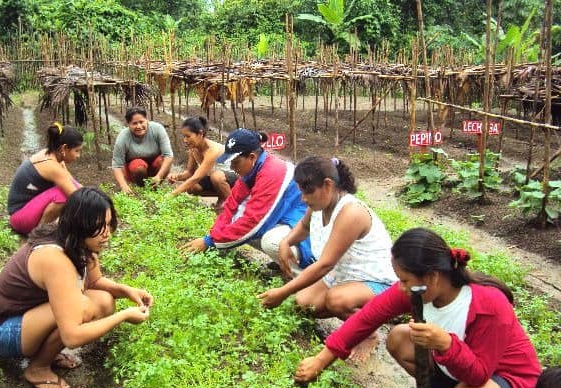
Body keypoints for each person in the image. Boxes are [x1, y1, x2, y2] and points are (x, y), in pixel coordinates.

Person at [294, 227, 541, 388]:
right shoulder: (418, 292)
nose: (400, 287)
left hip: (504, 376)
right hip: (459, 367)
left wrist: (447, 344)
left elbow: (479, 374)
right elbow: (368, 317)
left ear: (432, 277)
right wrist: (322, 358)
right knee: (399, 338)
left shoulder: (488, 304)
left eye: (404, 280)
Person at [0, 187, 153, 388]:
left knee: (104, 301)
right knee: (83, 307)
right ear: (80, 226)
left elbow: (95, 281)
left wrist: (127, 291)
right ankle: (38, 368)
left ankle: (44, 353)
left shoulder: (72, 238)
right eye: (98, 227)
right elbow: (72, 336)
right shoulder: (55, 259)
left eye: (108, 224)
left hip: (26, 318)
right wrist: (124, 316)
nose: (107, 233)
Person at [257, 156, 397, 363]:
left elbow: (325, 265)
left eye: (308, 191)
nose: (303, 198)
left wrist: (282, 292)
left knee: (337, 301)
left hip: (376, 281)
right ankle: (355, 318)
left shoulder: (351, 212)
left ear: (328, 185)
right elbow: (304, 227)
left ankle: (368, 335)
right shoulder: (318, 205)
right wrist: (286, 242)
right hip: (343, 274)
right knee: (303, 305)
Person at [180, 128, 312, 269]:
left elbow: (253, 221)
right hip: (285, 218)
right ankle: (285, 262)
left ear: (252, 157)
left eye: (235, 162)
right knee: (235, 221)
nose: (232, 167)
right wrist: (212, 237)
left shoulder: (273, 173)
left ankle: (306, 277)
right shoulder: (251, 172)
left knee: (272, 242)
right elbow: (230, 206)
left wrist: (209, 242)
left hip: (308, 228)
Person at [7, 122, 83, 235]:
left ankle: (48, 228)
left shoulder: (53, 156)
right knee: (62, 195)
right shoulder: (52, 166)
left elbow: (74, 184)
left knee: (69, 189)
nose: (78, 155)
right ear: (64, 148)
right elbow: (77, 197)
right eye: (77, 151)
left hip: (27, 211)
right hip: (19, 217)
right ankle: (40, 235)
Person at [167, 116, 237, 209]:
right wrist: (177, 177)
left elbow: (197, 177)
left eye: (188, 136)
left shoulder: (212, 150)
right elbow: (190, 173)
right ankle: (222, 198)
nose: (185, 140)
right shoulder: (193, 149)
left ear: (200, 133)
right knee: (192, 187)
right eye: (184, 136)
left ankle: (232, 205)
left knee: (216, 176)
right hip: (214, 179)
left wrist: (172, 194)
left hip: (233, 178)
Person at [112, 106, 174, 192]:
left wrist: (159, 176)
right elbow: (117, 165)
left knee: (162, 160)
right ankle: (142, 188)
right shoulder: (123, 137)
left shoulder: (157, 129)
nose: (139, 126)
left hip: (154, 166)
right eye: (134, 123)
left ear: (147, 120)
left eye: (141, 122)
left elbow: (168, 155)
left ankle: (155, 187)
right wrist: (123, 185)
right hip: (134, 169)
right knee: (138, 166)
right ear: (128, 124)